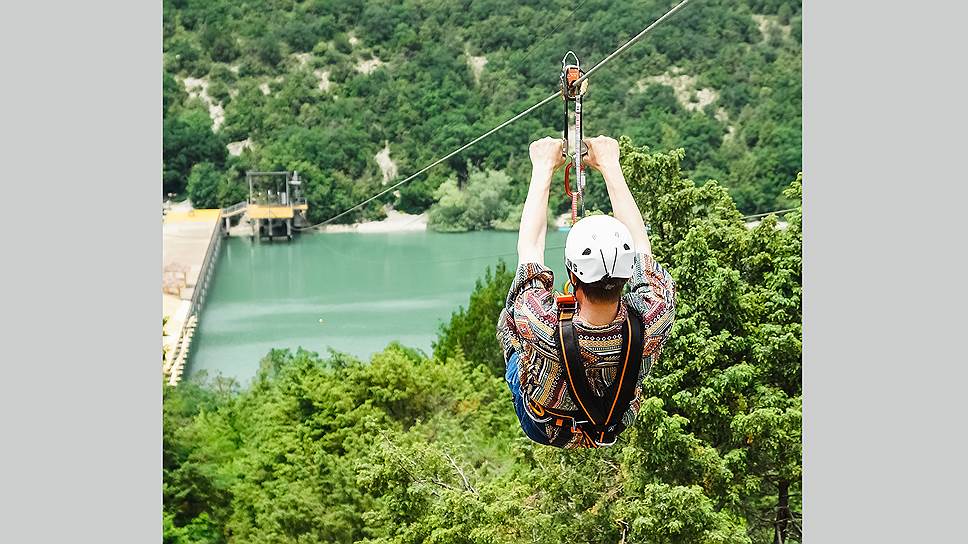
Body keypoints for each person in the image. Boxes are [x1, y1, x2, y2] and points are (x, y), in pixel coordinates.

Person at [496, 135, 676, 448]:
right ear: (627, 274)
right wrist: (610, 165)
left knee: (509, 323)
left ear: (572, 276)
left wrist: (542, 169)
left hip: (545, 425)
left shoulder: (538, 319)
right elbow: (642, 246)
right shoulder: (655, 314)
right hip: (613, 422)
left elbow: (529, 251)